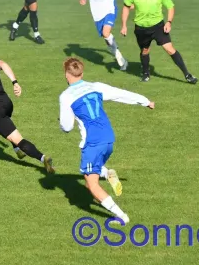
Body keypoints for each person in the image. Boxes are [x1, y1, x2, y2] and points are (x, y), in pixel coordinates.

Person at [59, 57, 155, 224]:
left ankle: (122, 217)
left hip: (93, 142)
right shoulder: (95, 86)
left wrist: (62, 123)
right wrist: (145, 101)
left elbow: (67, 127)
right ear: (81, 72)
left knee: (91, 185)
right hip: (108, 138)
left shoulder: (66, 96)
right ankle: (107, 173)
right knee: (95, 166)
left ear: (67, 74)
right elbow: (121, 94)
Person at [121, 0, 197, 83]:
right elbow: (126, 7)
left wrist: (169, 22)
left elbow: (170, 6)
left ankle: (187, 74)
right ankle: (146, 73)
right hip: (141, 28)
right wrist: (124, 25)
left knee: (170, 49)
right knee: (145, 51)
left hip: (158, 26)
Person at [79, 0, 129, 71]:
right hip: (96, 13)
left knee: (106, 33)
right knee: (106, 38)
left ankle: (118, 56)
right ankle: (120, 57)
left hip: (109, 10)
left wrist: (129, 1)